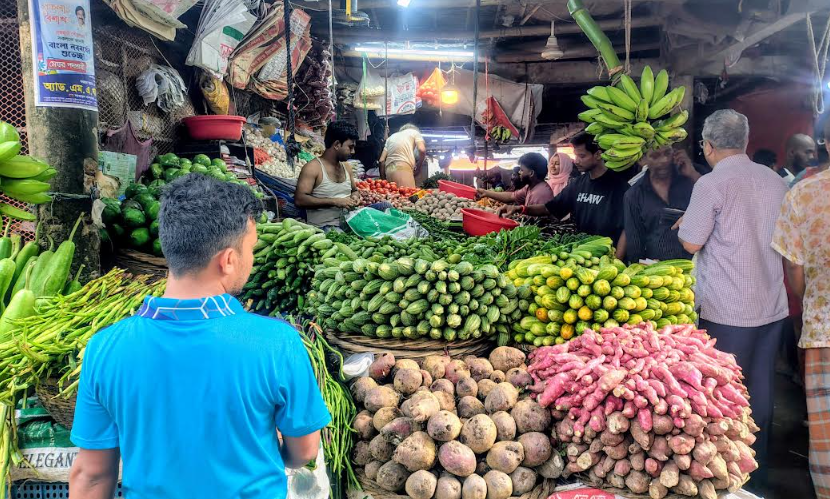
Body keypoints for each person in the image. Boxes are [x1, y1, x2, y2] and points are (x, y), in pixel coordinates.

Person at [69, 174, 330, 498]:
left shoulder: (105, 347)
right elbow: (304, 452)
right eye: (251, 249)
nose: (251, 259)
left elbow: (92, 476)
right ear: (229, 260)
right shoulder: (278, 343)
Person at [676, 109, 789, 494]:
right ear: (744, 141)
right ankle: (760, 473)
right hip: (772, 305)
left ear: (707, 146)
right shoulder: (775, 181)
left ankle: (730, 478)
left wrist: (687, 225)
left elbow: (691, 241)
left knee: (726, 396)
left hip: (728, 310)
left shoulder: (712, 183)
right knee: (761, 389)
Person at [772, 119, 830, 499]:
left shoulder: (803, 194)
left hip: (822, 328)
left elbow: (794, 267)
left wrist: (809, 302)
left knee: (825, 431)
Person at [501, 132, 630, 246]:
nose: (577, 161)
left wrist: (618, 259)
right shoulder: (578, 184)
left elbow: (628, 227)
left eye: (582, 156)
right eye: (576, 156)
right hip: (582, 252)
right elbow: (550, 208)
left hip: (609, 255)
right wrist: (521, 209)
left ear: (597, 155)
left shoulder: (619, 187)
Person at [623, 145, 705, 263]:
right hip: (659, 273)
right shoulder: (634, 195)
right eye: (655, 156)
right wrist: (643, 266)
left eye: (667, 153)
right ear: (642, 160)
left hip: (696, 267)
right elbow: (635, 243)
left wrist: (692, 174)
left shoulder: (693, 178)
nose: (664, 160)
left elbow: (719, 200)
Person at [295, 121, 360, 229]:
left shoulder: (346, 167)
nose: (353, 151)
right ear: (337, 145)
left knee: (384, 208)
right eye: (350, 147)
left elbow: (354, 190)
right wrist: (334, 201)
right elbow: (300, 200)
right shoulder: (313, 168)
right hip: (325, 226)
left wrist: (355, 196)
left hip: (350, 220)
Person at [479, 153, 553, 208]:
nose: (519, 173)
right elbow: (511, 196)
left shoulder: (541, 193)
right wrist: (486, 192)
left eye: (522, 170)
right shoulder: (530, 187)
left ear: (531, 173)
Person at [379, 124, 426, 188]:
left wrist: (383, 180)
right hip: (403, 168)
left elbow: (381, 160)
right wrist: (419, 166)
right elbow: (422, 149)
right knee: (409, 196)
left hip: (389, 170)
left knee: (393, 196)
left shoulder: (390, 138)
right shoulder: (415, 132)